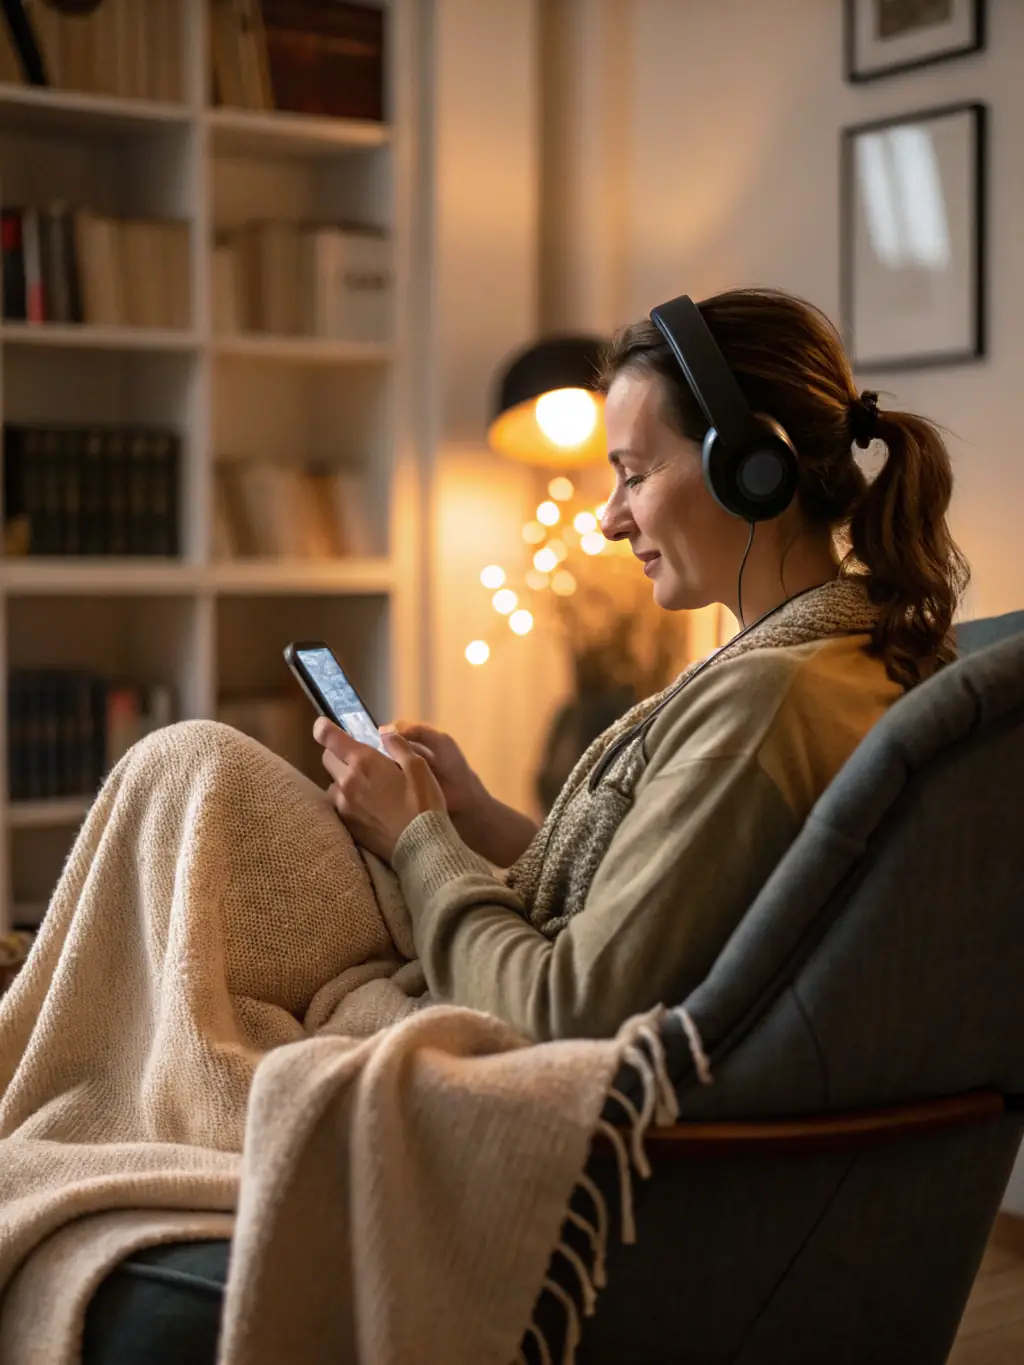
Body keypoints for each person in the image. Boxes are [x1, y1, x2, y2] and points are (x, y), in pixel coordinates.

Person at [2, 287, 968, 1363]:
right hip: (472, 949)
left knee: (187, 775)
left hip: (484, 1022)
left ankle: (33, 1059)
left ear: (758, 466)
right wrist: (468, 811)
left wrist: (418, 837)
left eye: (635, 474)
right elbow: (632, 894)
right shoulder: (824, 661)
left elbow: (570, 1004)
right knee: (182, 807)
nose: (608, 518)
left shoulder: (768, 705)